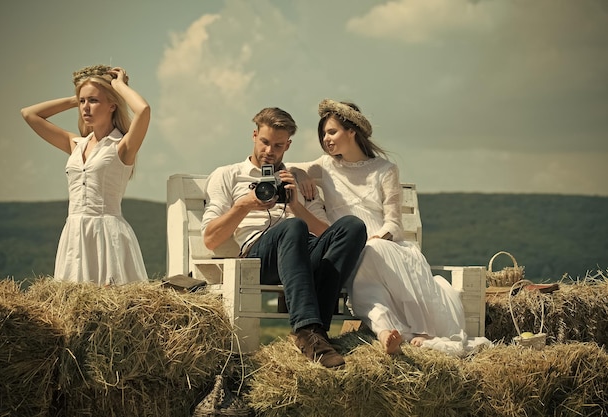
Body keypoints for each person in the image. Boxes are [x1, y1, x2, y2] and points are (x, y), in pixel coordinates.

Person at [293, 99, 474, 356]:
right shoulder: (325, 166)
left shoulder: (385, 170)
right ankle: (391, 332)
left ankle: (402, 330)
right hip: (349, 249)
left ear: (352, 131)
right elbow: (288, 169)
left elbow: (394, 223)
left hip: (383, 244)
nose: (326, 139)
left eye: (331, 131)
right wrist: (301, 175)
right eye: (323, 134)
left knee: (376, 254)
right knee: (366, 261)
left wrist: (377, 238)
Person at [201, 107, 367, 368]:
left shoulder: (297, 180)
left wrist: (296, 205)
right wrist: (244, 206)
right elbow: (210, 239)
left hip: (301, 253)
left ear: (288, 145)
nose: (270, 151)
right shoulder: (227, 175)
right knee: (293, 228)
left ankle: (316, 333)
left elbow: (328, 237)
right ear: (254, 136)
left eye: (278, 146)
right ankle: (307, 330)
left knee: (352, 227)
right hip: (258, 259)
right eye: (265, 142)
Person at [21, 65, 150, 286]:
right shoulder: (75, 144)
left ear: (112, 105)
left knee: (112, 307)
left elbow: (143, 110)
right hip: (74, 234)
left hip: (107, 236)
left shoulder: (122, 145)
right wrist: (78, 96)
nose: (85, 108)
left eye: (94, 101)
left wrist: (118, 86)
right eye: (82, 102)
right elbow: (29, 114)